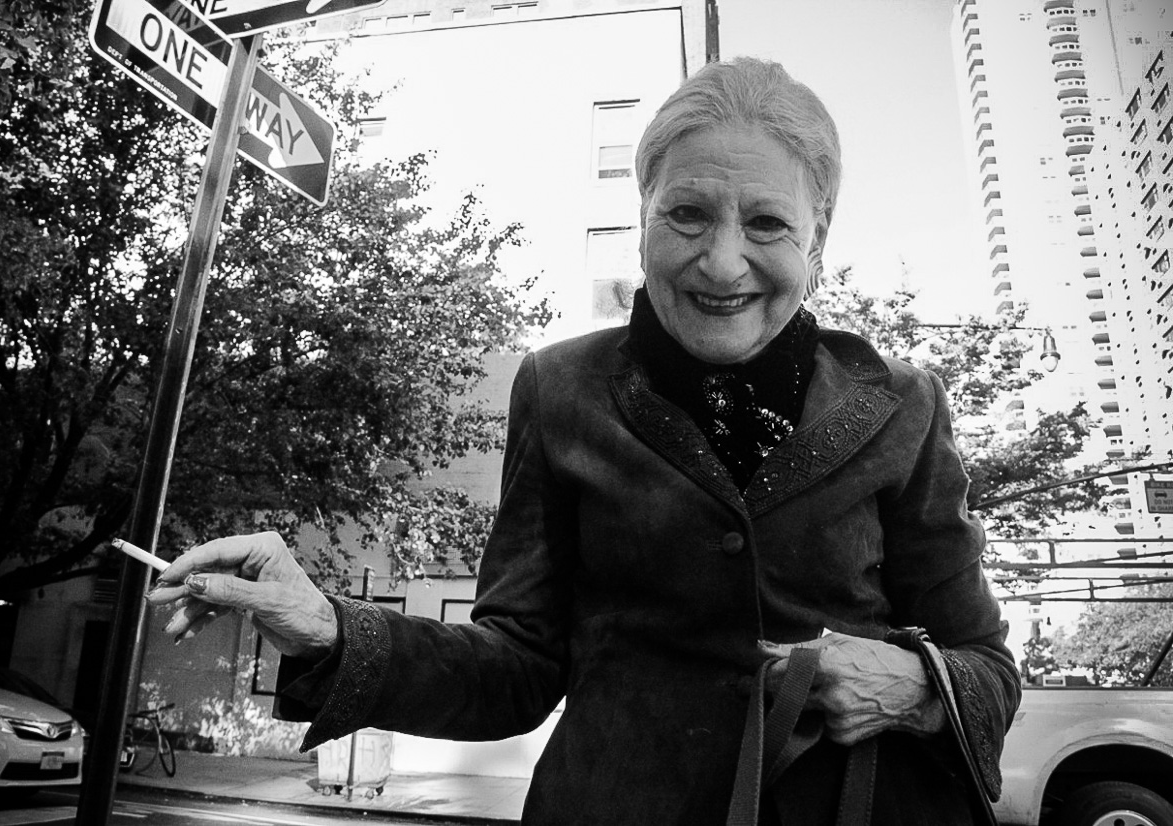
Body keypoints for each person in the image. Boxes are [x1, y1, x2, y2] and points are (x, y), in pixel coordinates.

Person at [148, 57, 1020, 825]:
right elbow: (515, 668)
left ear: (816, 239)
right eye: (687, 214)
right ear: (642, 216)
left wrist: (917, 688)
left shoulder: (904, 405)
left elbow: (988, 668)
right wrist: (328, 629)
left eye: (766, 224)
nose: (723, 262)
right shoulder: (559, 388)